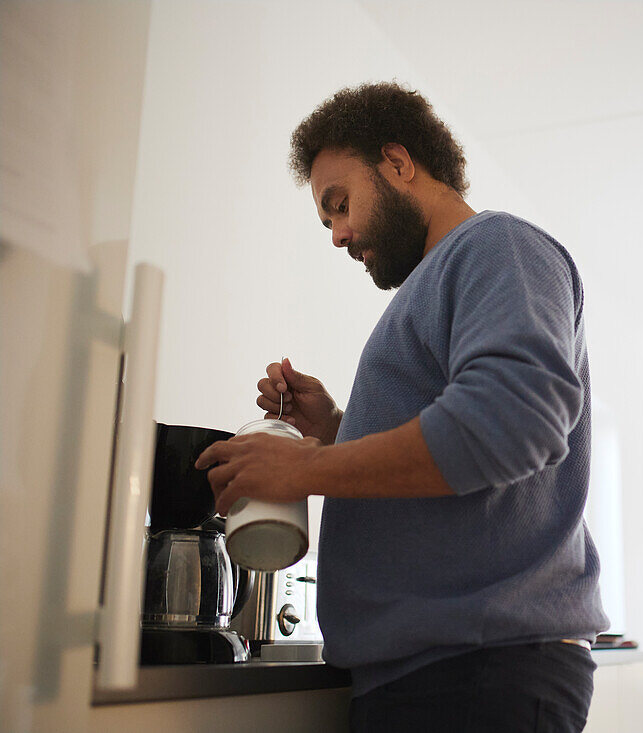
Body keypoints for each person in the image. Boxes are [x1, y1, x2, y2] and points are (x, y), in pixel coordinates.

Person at [195, 82, 609, 732]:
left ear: (397, 163)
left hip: (477, 674)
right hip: (439, 674)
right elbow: (454, 457)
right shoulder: (438, 282)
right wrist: (333, 430)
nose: (335, 235)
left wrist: (300, 469)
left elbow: (508, 421)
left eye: (338, 204)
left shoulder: (496, 246)